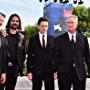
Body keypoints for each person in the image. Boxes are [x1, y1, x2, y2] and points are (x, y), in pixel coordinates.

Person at [55, 15, 90, 90]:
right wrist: (56, 70)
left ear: (76, 24)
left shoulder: (83, 39)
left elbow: (87, 57)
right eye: (68, 23)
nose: (70, 24)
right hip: (63, 74)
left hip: (80, 74)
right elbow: (55, 57)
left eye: (72, 22)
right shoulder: (58, 40)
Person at [27, 17, 55, 90]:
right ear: (38, 26)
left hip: (49, 71)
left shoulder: (53, 39)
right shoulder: (32, 39)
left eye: (46, 26)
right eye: (42, 26)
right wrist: (29, 71)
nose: (44, 28)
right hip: (36, 71)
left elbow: (55, 56)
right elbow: (30, 55)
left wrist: (55, 70)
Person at [5, 13, 25, 90]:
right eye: (13, 20)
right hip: (3, 68)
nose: (15, 22)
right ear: (9, 22)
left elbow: (23, 53)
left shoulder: (21, 37)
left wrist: (20, 65)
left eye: (17, 21)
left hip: (14, 70)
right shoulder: (3, 34)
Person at [0, 12, 6, 90]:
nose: (0, 22)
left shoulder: (3, 36)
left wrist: (3, 73)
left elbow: (3, 55)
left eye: (2, 21)